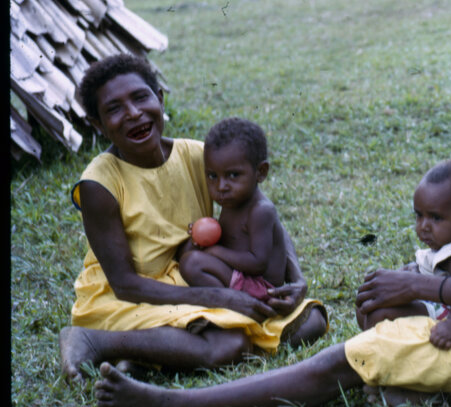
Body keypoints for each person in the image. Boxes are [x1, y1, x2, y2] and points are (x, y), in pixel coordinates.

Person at [93, 26, 451, 407]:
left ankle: (169, 404)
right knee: (387, 321)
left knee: (358, 353)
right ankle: (423, 382)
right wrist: (420, 278)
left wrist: (421, 285)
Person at [60, 54, 327, 384]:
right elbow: (125, 284)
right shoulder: (98, 184)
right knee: (230, 342)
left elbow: (265, 214)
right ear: (99, 125)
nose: (132, 113)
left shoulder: (198, 156)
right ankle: (93, 340)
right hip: (130, 295)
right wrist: (220, 298)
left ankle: (148, 355)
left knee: (312, 319)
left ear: (159, 98)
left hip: (193, 278)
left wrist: (296, 279)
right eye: (114, 109)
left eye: (141, 97)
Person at [355, 159, 451, 353]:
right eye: (419, 215)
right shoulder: (447, 241)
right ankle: (378, 350)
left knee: (380, 314)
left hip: (443, 312)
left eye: (436, 218)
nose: (424, 226)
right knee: (366, 305)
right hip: (428, 299)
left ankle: (383, 356)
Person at [179, 118, 288, 302]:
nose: (221, 186)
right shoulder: (231, 202)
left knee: (192, 264)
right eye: (212, 176)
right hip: (242, 278)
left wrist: (214, 251)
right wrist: (201, 239)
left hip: (263, 288)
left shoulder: (261, 211)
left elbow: (258, 262)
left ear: (261, 172)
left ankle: (241, 307)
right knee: (187, 255)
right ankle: (234, 304)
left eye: (233, 175)